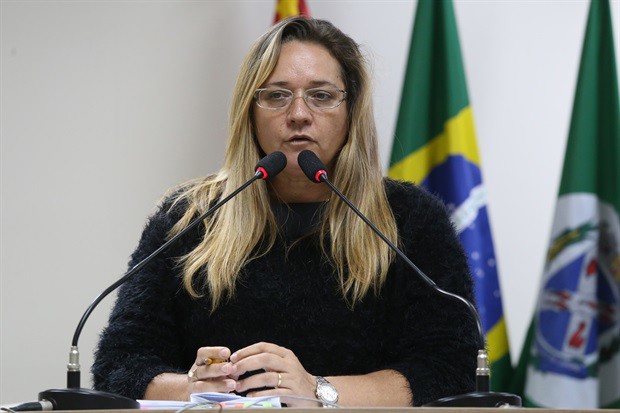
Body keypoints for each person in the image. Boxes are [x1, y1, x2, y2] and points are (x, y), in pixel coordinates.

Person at [92, 16, 479, 407]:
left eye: (321, 96)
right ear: (250, 111)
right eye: (277, 95)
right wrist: (191, 389)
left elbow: (451, 369)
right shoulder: (188, 219)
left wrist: (318, 391)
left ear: (351, 111)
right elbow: (118, 365)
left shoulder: (410, 219)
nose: (298, 114)